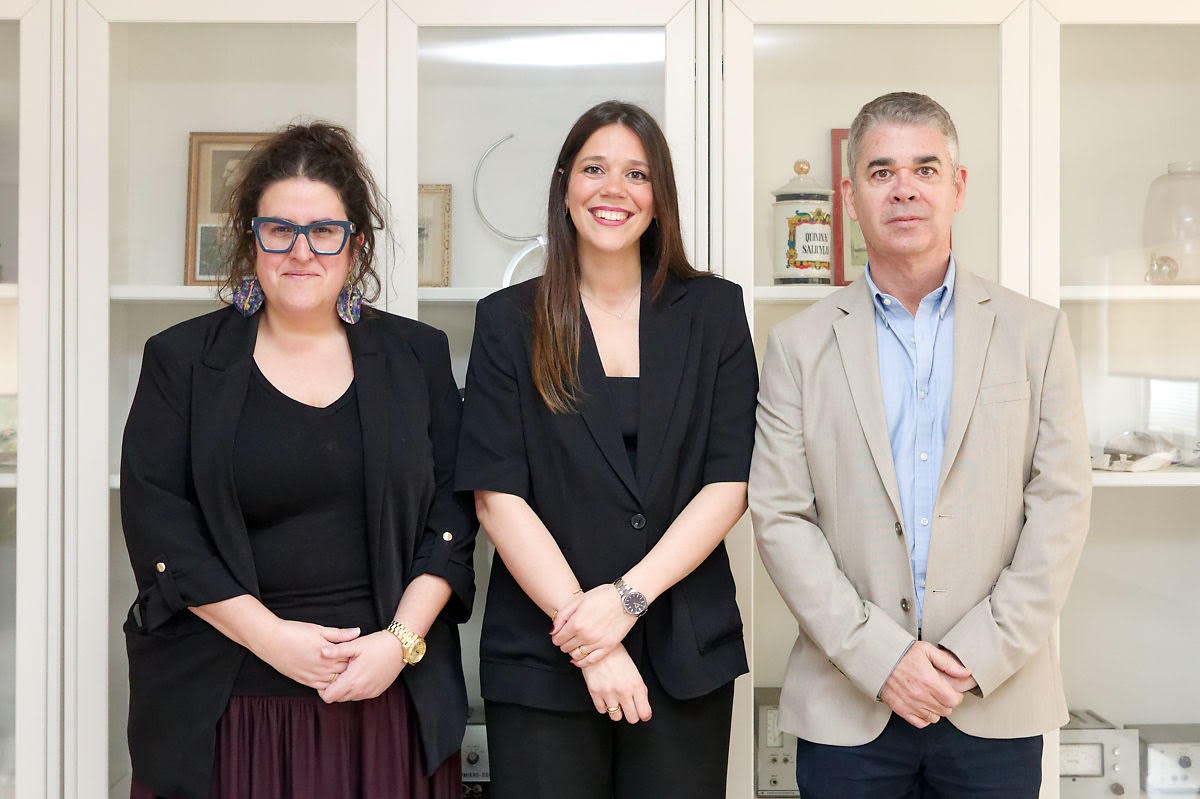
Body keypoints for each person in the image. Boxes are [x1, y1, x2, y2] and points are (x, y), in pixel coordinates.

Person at [749, 91, 1092, 798]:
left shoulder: (1036, 333)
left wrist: (971, 655)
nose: (904, 187)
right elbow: (781, 516)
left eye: (925, 168)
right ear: (850, 193)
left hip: (993, 701)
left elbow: (1061, 505)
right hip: (850, 706)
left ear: (957, 187)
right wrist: (883, 657)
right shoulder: (797, 346)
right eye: (880, 171)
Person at [119, 122, 476, 799]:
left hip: (385, 698)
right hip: (228, 706)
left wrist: (397, 642)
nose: (301, 251)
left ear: (355, 244)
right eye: (279, 230)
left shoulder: (416, 357)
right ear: (252, 238)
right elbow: (160, 527)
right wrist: (273, 640)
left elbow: (454, 514)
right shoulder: (182, 361)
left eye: (324, 231)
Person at [455, 100, 757, 799]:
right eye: (594, 168)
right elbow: (498, 497)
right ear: (565, 186)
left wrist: (626, 601)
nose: (613, 189)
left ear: (660, 198)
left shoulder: (713, 311)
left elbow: (729, 480)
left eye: (636, 173)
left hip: (686, 650)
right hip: (542, 654)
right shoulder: (509, 320)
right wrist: (588, 634)